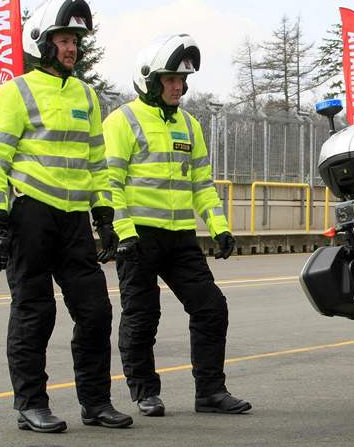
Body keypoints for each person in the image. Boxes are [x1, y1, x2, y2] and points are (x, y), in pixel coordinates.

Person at [0, 0, 132, 432]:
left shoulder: (87, 96)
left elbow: (97, 164)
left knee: (96, 311)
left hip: (74, 221)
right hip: (30, 217)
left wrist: (104, 216)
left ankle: (96, 402)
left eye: (75, 40)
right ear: (42, 42)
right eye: (63, 38)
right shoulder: (13, 93)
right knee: (34, 311)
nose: (71, 47)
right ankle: (30, 404)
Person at [102, 34, 250, 417]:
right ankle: (145, 392)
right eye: (170, 79)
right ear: (149, 79)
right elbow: (109, 184)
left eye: (182, 80)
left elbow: (201, 184)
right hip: (138, 237)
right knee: (142, 316)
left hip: (180, 236)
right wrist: (124, 232)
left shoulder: (189, 125)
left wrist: (219, 227)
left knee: (211, 307)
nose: (178, 86)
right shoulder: (123, 121)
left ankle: (210, 392)